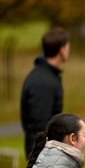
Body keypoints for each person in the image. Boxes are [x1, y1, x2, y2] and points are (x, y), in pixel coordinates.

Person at [20, 27, 70, 159]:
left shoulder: (47, 75)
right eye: (67, 46)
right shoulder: (43, 82)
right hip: (41, 153)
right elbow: (40, 124)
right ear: (62, 50)